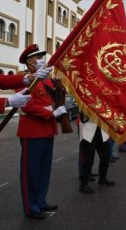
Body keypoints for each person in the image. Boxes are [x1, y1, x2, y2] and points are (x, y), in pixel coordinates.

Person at [17, 44, 66, 219]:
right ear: (29, 62)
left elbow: (53, 97)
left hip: (47, 129)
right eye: (38, 58)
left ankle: (41, 200)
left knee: (44, 169)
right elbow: (27, 104)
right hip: (32, 129)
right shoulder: (24, 79)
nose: (41, 60)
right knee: (30, 171)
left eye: (41, 57)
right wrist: (51, 113)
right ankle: (31, 207)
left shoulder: (45, 80)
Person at [79, 112, 115, 193]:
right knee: (88, 157)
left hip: (102, 127)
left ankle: (103, 177)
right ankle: (83, 183)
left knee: (106, 154)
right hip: (88, 126)